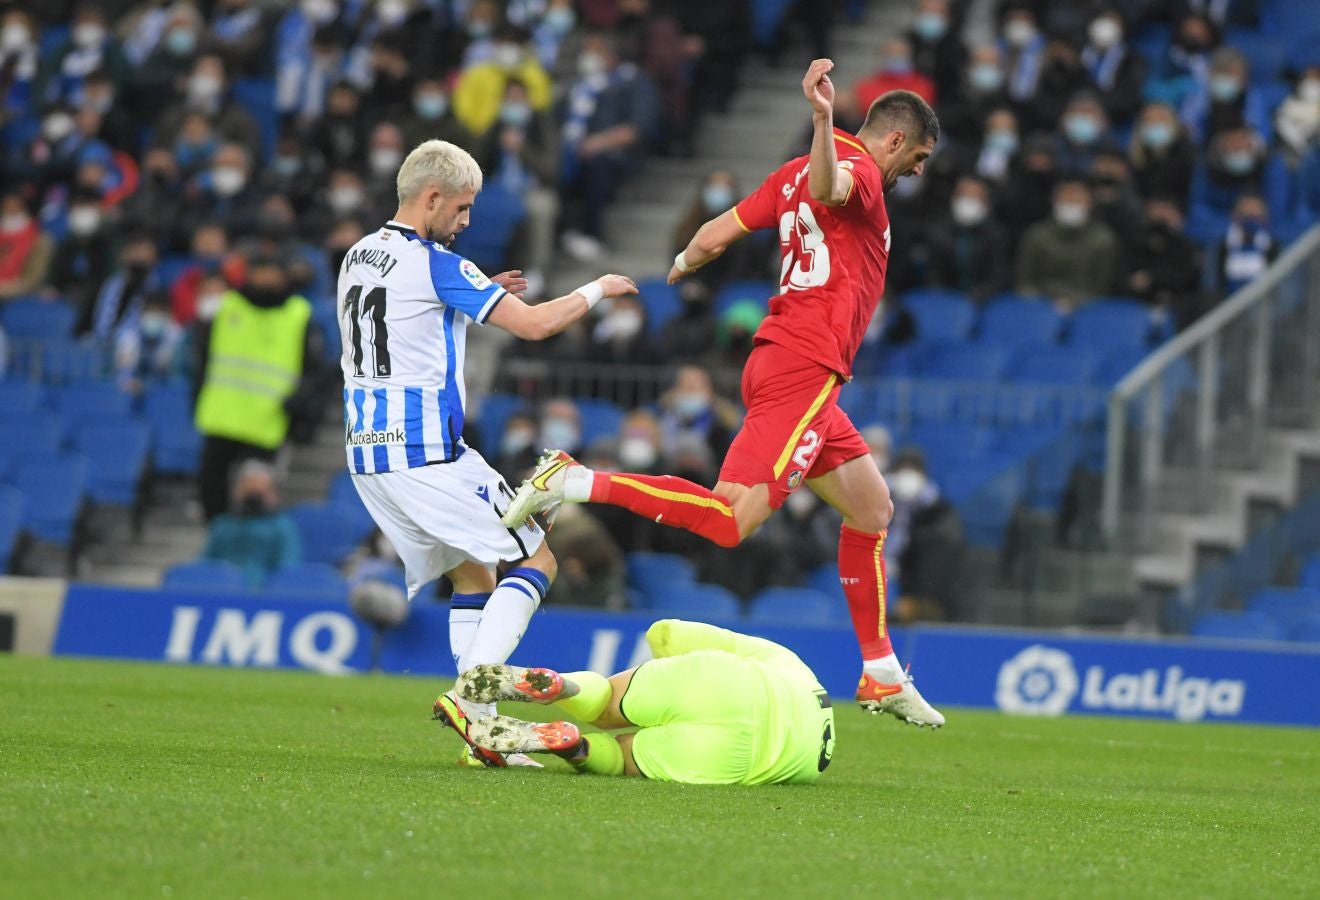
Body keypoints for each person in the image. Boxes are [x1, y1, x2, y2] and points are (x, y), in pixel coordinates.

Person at [503, 62, 945, 728]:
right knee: (729, 520)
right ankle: (574, 480)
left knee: (872, 510)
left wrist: (681, 264)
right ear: (893, 141)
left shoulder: (787, 173)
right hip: (804, 367)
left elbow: (713, 235)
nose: (917, 172)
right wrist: (824, 117)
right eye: (918, 156)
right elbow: (833, 183)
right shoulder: (858, 182)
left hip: (798, 372)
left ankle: (881, 672)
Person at [337, 139, 636, 768]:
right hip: (427, 455)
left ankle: (487, 744)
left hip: (369, 455)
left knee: (473, 575)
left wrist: (472, 296)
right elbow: (535, 325)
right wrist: (599, 289)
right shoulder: (436, 262)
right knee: (540, 556)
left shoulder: (359, 256)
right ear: (432, 197)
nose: (467, 222)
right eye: (463, 208)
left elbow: (406, 321)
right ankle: (473, 705)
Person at [452, 618, 836, 784]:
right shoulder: (817, 752)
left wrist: (661, 667)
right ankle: (574, 746)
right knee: (620, 759)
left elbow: (668, 633)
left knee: (604, 702)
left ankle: (562, 686)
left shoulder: (790, 663)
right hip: (743, 755)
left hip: (723, 680)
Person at [193, 253, 316, 521]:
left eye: (271, 270)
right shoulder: (226, 306)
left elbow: (313, 369)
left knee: (256, 503)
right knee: (212, 500)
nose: (265, 278)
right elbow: (201, 356)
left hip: (266, 424)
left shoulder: (299, 314)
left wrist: (299, 408)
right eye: (259, 270)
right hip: (221, 418)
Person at [1015, 178, 1120, 308]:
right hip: (1040, 308)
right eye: (1066, 197)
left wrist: (1073, 303)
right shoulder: (1036, 235)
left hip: (1086, 310)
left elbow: (1102, 287)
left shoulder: (1103, 240)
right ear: (1054, 200)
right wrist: (1043, 304)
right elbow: (1025, 282)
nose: (1071, 203)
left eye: (1077, 198)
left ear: (1090, 202)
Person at [200, 460, 301, 586]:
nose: (253, 501)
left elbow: (287, 566)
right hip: (223, 591)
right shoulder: (223, 525)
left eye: (259, 494)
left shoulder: (283, 527)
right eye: (249, 493)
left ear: (272, 495)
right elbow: (206, 564)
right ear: (237, 493)